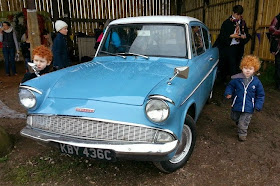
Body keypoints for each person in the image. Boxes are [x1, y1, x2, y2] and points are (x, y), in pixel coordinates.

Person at [224, 55, 265, 141]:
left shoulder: (256, 82)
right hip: (237, 104)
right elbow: (230, 86)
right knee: (234, 117)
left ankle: (242, 134)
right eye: (245, 68)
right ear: (242, 68)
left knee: (244, 122)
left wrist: (258, 105)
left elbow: (260, 95)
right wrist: (228, 93)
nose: (247, 70)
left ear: (254, 70)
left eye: (250, 68)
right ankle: (238, 121)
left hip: (249, 106)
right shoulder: (236, 79)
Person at [214, 5, 251, 81]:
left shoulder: (242, 23)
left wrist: (244, 36)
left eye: (240, 15)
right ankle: (230, 81)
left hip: (238, 47)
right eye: (237, 14)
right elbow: (222, 36)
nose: (238, 16)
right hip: (229, 47)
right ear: (233, 13)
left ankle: (234, 80)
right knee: (231, 66)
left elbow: (246, 33)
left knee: (237, 65)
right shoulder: (227, 23)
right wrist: (231, 36)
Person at [269, 13, 280, 91]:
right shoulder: (277, 18)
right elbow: (272, 29)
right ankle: (278, 85)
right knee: (279, 66)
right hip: (279, 47)